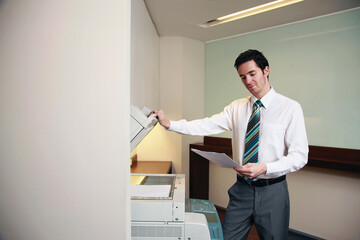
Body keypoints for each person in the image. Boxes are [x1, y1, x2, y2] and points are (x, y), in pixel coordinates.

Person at [153, 49, 308, 240]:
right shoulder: (237, 107)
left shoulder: (290, 108)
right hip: (241, 190)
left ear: (265, 70)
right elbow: (206, 124)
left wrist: (265, 167)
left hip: (272, 191)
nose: (248, 81)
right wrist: (170, 124)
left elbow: (299, 156)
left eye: (252, 74)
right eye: (243, 77)